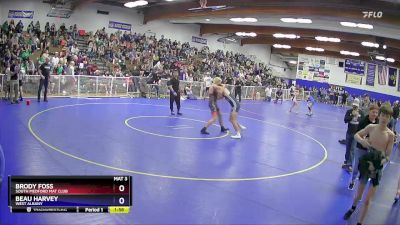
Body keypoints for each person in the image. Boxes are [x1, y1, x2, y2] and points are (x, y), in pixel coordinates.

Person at [343, 105, 395, 225]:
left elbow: (387, 156)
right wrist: (363, 141)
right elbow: (357, 135)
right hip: (367, 163)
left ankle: (360, 223)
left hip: (377, 167)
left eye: (387, 116)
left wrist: (377, 165)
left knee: (367, 200)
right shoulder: (371, 127)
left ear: (390, 118)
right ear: (379, 115)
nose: (384, 118)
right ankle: (353, 208)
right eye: (382, 115)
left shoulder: (390, 135)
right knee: (358, 195)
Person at [348, 104, 379, 190]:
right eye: (373, 112)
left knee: (367, 168)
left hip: (372, 149)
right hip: (361, 148)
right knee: (357, 166)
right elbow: (357, 134)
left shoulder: (378, 122)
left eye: (377, 113)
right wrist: (363, 140)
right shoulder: (363, 122)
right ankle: (352, 181)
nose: (375, 114)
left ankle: (361, 187)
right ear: (369, 111)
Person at [342, 98, 363, 172]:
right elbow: (345, 120)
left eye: (356, 106)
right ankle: (346, 161)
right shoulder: (349, 111)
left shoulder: (361, 113)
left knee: (353, 149)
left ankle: (350, 164)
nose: (355, 107)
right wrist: (351, 115)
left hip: (356, 134)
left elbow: (362, 123)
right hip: (349, 133)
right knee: (348, 148)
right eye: (354, 106)